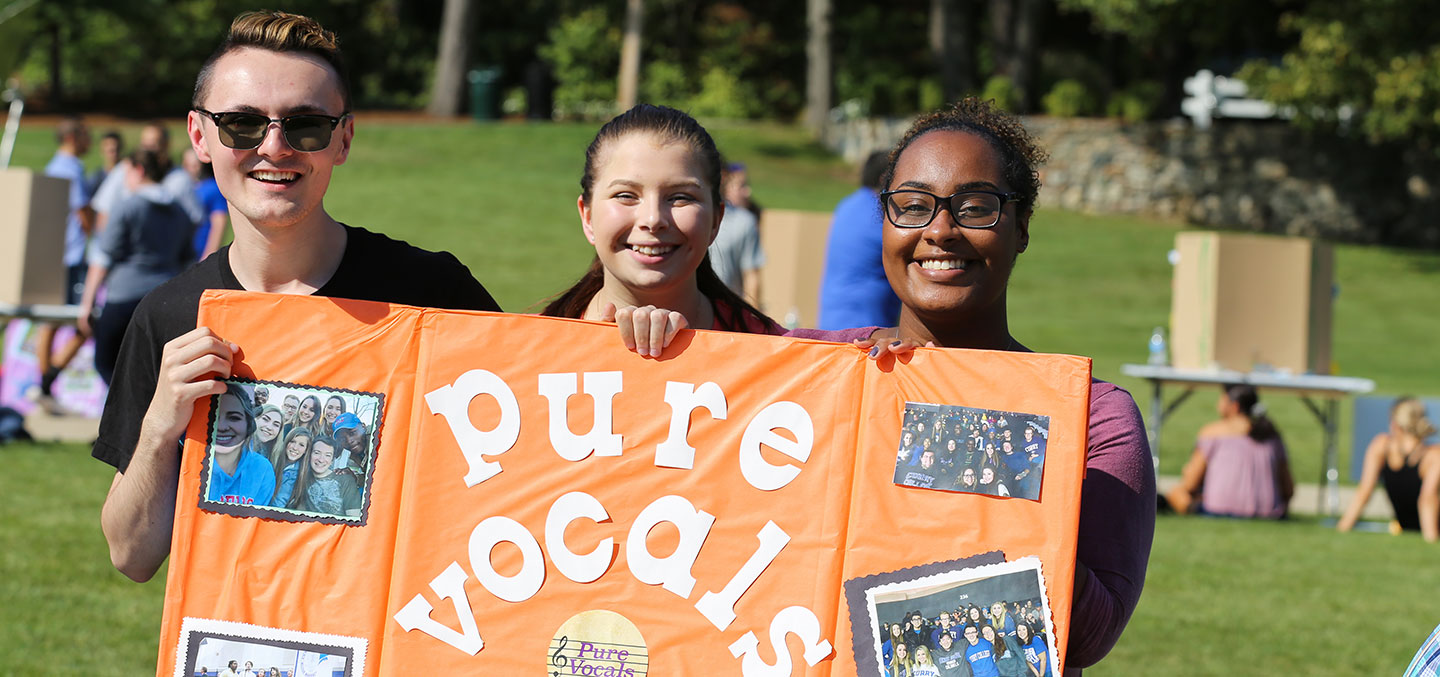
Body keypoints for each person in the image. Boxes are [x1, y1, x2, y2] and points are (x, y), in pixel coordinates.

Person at [94, 10, 501, 582]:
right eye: (241, 123)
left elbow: (536, 440)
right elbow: (130, 556)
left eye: (306, 124)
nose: (275, 147)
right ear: (199, 136)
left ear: (343, 139)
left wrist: (638, 321)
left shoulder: (431, 295)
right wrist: (163, 422)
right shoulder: (168, 316)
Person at [784, 98, 1155, 672]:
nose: (939, 231)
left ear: (1021, 228)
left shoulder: (1094, 416)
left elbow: (1088, 635)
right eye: (911, 206)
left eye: (975, 208)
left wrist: (961, 430)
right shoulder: (811, 366)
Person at [541, 104, 779, 349]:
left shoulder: (779, 357)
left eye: (680, 197)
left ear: (716, 220)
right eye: (625, 195)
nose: (653, 219)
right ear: (587, 217)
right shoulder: (529, 352)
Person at [77, 148, 196, 385]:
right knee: (152, 371)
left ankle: (127, 418)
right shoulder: (181, 211)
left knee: (106, 363)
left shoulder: (128, 207)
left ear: (138, 171)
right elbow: (188, 258)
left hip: (124, 296)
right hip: (166, 297)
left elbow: (104, 255)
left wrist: (87, 302)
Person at [33, 116, 96, 401]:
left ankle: (45, 384)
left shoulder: (54, 166)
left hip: (53, 255)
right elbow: (83, 215)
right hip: (71, 256)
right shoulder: (70, 169)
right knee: (84, 321)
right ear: (72, 137)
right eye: (85, 135)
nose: (89, 141)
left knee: (50, 321)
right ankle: (48, 379)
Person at [1164, 384, 1293, 519]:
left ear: (1234, 406)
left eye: (1221, 400)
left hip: (1218, 510)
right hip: (1271, 513)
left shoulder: (1213, 432)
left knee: (1176, 494)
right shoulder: (1271, 434)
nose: (1217, 405)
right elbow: (1288, 489)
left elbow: (1190, 484)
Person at [818, 150, 900, 329]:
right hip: (864, 326)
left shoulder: (848, 204)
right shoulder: (877, 212)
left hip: (836, 317)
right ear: (884, 178)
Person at [1338, 396, 1440, 541]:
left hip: (1429, 529)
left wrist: (1431, 539)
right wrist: (1342, 529)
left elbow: (1428, 500)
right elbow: (1365, 491)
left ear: (1394, 424)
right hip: (1409, 530)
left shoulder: (1433, 456)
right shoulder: (1382, 447)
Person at [206, 383, 276, 506]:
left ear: (248, 425)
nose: (221, 427)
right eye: (215, 417)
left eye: (233, 418)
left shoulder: (263, 470)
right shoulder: (190, 460)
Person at [706, 161, 765, 305]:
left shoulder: (744, 222)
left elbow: (752, 277)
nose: (747, 192)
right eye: (741, 185)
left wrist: (752, 320)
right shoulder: (687, 217)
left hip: (727, 315)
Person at [291, 435, 361, 517]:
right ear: (309, 455)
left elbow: (354, 518)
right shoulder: (302, 478)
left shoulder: (346, 481)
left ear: (332, 460)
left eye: (327, 455)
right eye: (317, 453)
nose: (321, 459)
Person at [184, 148, 231, 259]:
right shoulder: (187, 187)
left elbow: (219, 222)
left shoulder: (212, 188)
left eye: (194, 165)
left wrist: (209, 254)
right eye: (186, 164)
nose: (190, 169)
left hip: (200, 252)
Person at [269, 426, 313, 508]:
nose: (295, 447)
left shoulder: (298, 472)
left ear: (305, 451)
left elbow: (278, 503)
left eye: (301, 445)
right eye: (292, 441)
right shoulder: (273, 458)